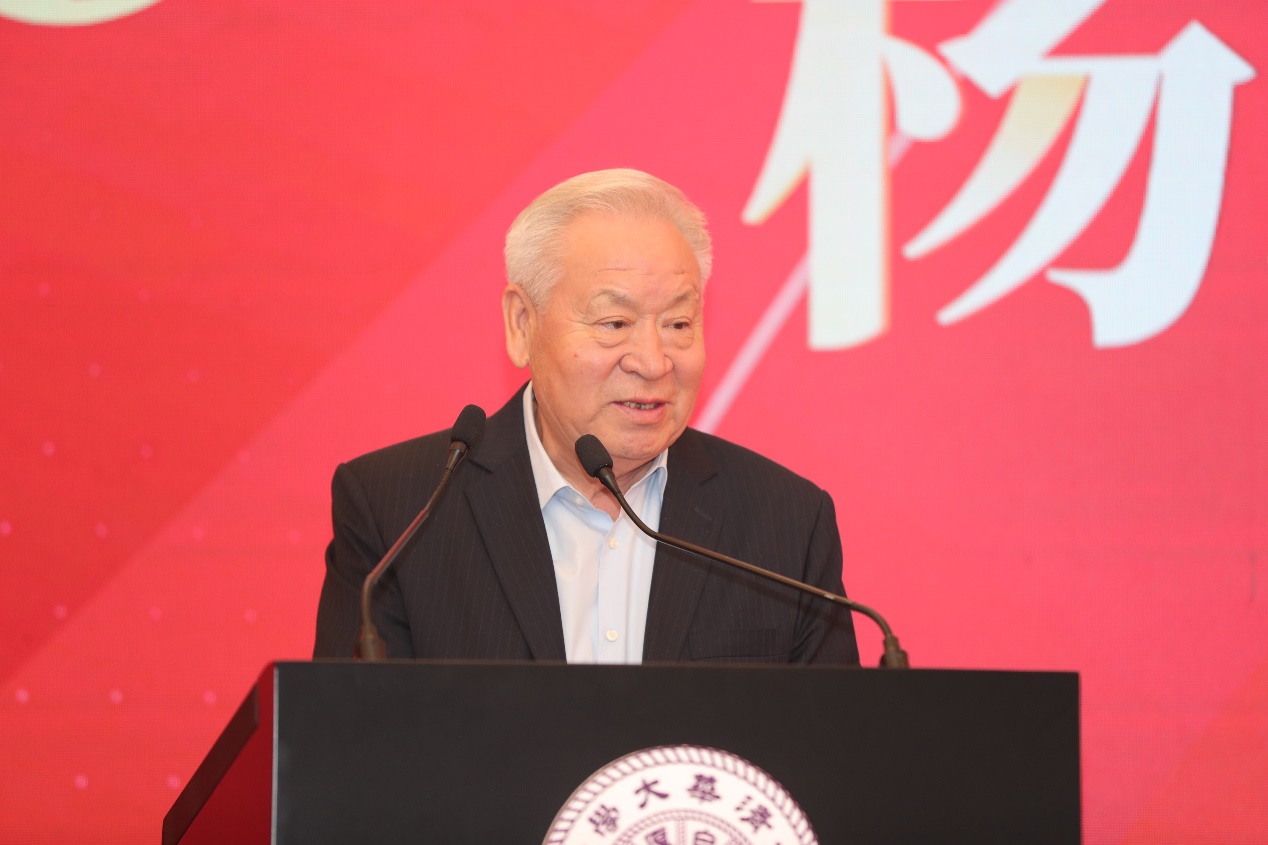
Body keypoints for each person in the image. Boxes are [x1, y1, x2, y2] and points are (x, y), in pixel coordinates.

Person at [313, 169, 859, 664]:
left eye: (678, 324)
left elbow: (832, 738)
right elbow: (348, 734)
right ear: (522, 324)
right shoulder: (399, 512)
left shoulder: (787, 522)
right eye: (614, 323)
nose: (653, 362)